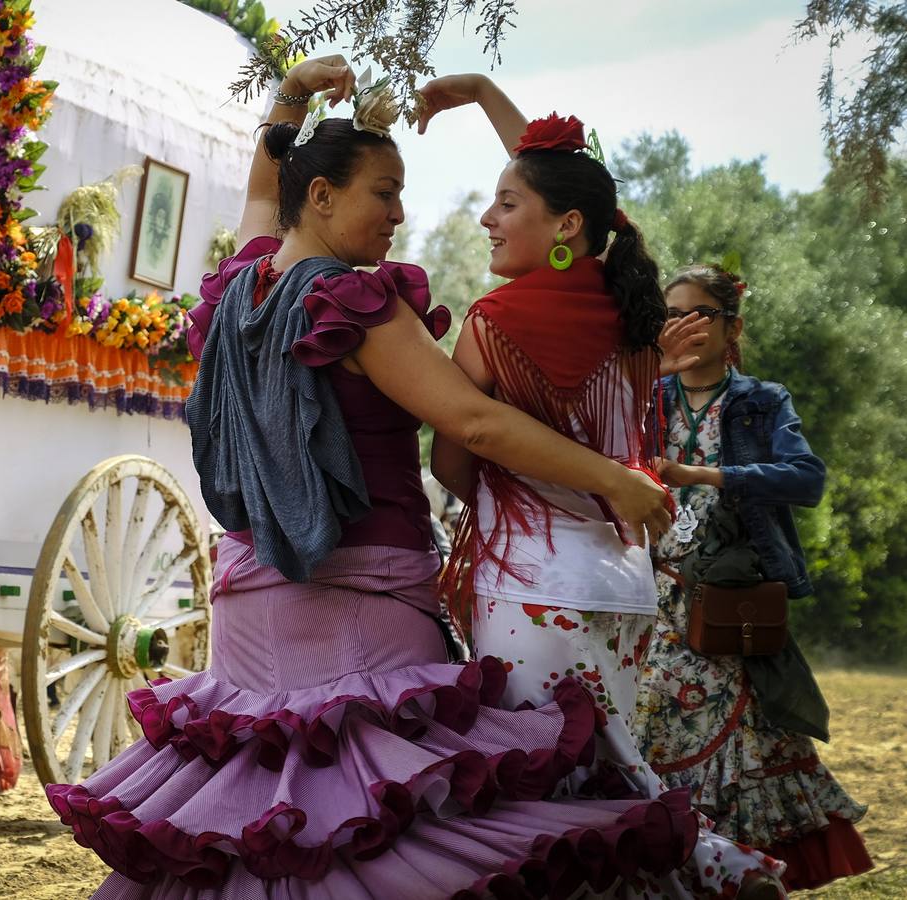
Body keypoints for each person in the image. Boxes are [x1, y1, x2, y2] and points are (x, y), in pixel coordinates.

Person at [46, 55, 778, 899]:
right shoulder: (355, 306)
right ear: (321, 198)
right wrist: (614, 480)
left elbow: (263, 194)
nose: (400, 213)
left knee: (269, 827)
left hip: (250, 604)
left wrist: (292, 95)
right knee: (378, 828)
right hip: (366, 604)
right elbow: (471, 421)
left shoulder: (241, 285)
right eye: (383, 193)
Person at [423, 75, 785, 897]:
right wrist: (485, 96)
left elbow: (453, 459)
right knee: (608, 760)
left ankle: (716, 863)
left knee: (551, 789)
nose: (488, 216)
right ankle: (702, 861)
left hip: (530, 587)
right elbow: (579, 188)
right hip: (623, 586)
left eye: (505, 203)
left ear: (565, 225)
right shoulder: (634, 324)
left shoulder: (493, 320)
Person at [633, 264, 873, 890]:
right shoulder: (644, 397)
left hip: (728, 600)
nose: (683, 325)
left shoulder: (761, 401)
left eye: (700, 313)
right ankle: (689, 876)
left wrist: (707, 477)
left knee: (741, 748)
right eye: (671, 313)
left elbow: (807, 479)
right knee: (651, 743)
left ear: (732, 326)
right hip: (647, 601)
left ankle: (744, 878)